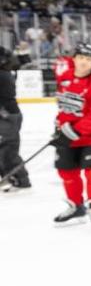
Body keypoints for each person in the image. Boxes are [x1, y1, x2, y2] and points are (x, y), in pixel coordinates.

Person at [51, 42, 91, 224]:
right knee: (66, 172)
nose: (84, 62)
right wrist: (59, 127)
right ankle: (76, 206)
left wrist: (74, 130)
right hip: (68, 136)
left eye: (88, 59)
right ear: (74, 59)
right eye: (81, 58)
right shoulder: (64, 77)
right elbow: (64, 107)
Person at [0, 47, 31, 191]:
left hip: (8, 116)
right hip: (7, 115)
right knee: (6, 149)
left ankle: (19, 179)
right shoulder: (5, 72)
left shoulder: (3, 75)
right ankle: (11, 177)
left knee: (8, 150)